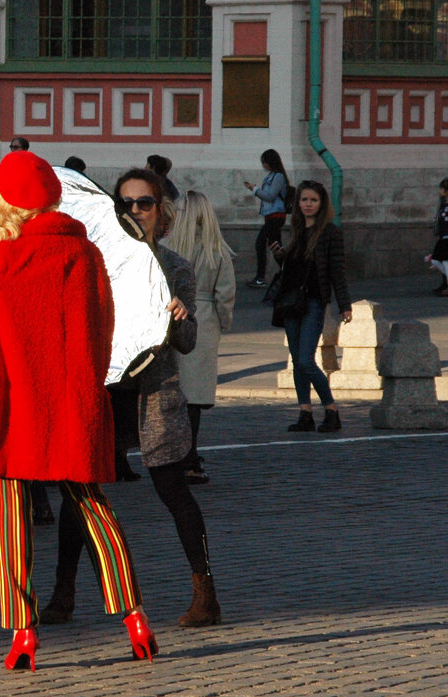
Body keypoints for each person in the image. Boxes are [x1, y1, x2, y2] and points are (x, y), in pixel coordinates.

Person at [0, 151, 158, 671]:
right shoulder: (87, 254)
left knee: (8, 520)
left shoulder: (4, 257)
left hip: (9, 405)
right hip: (71, 400)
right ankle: (135, 618)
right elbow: (103, 329)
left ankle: (24, 633)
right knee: (94, 508)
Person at [41, 167, 222, 631]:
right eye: (127, 203)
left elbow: (186, 342)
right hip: (100, 390)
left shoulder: (176, 266)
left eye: (145, 203)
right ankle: (63, 593)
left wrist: (179, 317)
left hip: (152, 395)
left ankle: (206, 595)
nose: (135, 211)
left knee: (172, 490)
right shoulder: (94, 259)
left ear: (162, 212)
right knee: (79, 491)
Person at [269, 180, 352, 433]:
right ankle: (305, 412)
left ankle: (331, 410)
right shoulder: (296, 228)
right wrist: (280, 256)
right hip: (291, 301)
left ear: (321, 203)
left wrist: (344, 305)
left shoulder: (330, 232)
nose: (307, 204)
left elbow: (337, 270)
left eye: (313, 200)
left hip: (315, 301)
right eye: (304, 200)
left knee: (306, 360)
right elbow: (295, 267)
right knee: (297, 360)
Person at [165, 190, 236, 484]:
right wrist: (224, 324)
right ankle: (190, 458)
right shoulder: (216, 251)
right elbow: (226, 295)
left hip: (169, 319)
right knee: (194, 399)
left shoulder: (167, 249)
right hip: (203, 321)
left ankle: (169, 457)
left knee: (170, 396)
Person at [244, 148, 290, 287]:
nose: (263, 165)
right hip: (271, 216)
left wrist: (255, 189)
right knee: (275, 246)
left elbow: (270, 196)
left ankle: (261, 277)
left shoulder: (278, 177)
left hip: (276, 215)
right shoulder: (272, 176)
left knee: (266, 244)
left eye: (264, 161)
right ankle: (287, 273)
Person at [428, 178, 448, 295]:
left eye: (441, 189)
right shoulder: (442, 203)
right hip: (443, 236)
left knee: (446, 261)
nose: (439, 191)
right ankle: (445, 283)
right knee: (436, 260)